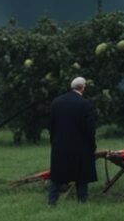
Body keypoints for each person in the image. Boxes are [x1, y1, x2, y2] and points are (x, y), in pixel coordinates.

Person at [47, 77, 97, 205]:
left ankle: (52, 201)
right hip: (81, 147)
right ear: (83, 87)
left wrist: (54, 142)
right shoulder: (85, 104)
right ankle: (82, 202)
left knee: (57, 175)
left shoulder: (56, 102)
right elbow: (90, 128)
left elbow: (51, 126)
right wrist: (92, 145)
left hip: (60, 145)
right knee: (82, 176)